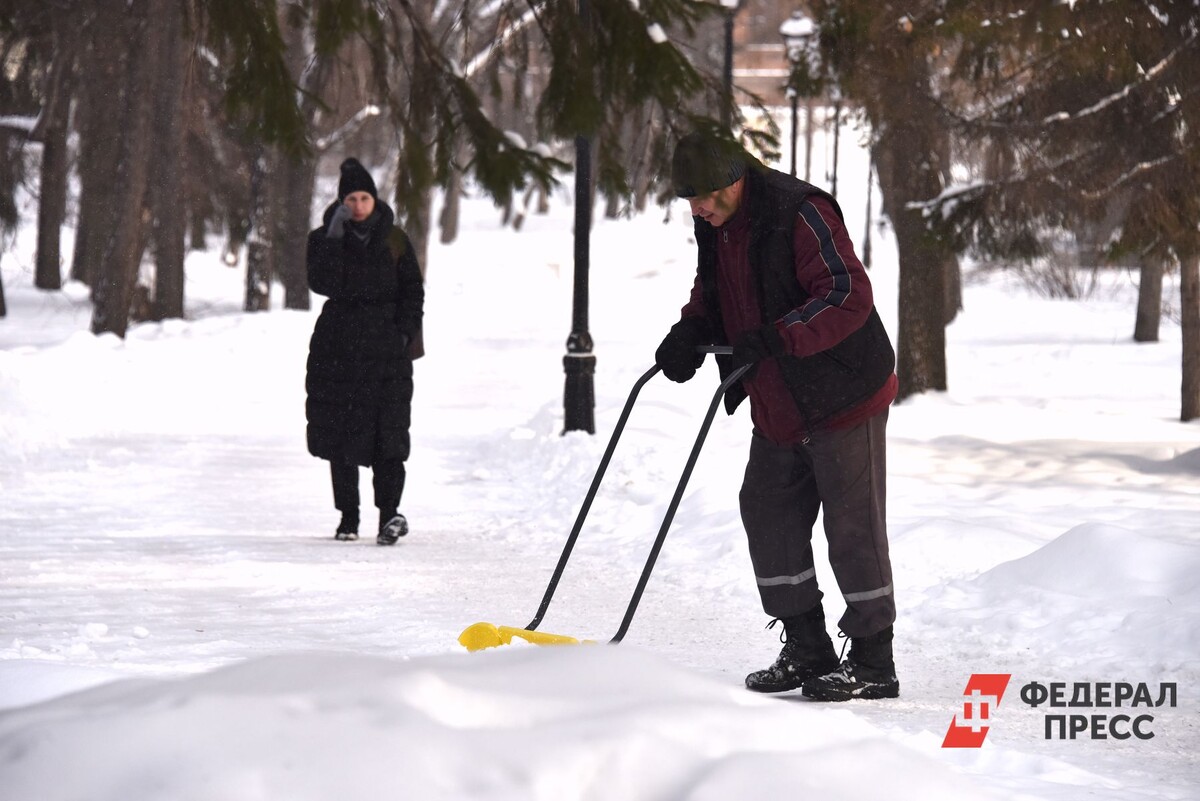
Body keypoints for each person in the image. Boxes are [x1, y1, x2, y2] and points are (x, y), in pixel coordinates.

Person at [656, 132, 899, 701]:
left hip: (841, 393)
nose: (696, 209)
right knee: (767, 512)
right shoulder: (718, 222)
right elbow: (715, 289)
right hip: (779, 399)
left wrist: (778, 335)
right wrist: (691, 329)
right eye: (689, 199)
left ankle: (873, 660)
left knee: (852, 525)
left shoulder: (800, 211)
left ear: (734, 179)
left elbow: (846, 294)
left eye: (704, 197)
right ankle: (808, 647)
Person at [305, 158, 424, 546]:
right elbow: (321, 282)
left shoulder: (395, 239)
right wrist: (333, 238)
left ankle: (390, 514)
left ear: (374, 200)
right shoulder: (324, 239)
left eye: (364, 198)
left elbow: (412, 290)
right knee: (341, 434)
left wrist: (403, 332)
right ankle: (348, 516)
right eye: (351, 199)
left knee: (388, 433)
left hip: (386, 350)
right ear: (341, 203)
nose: (358, 206)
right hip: (337, 347)